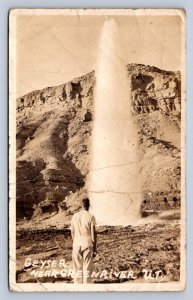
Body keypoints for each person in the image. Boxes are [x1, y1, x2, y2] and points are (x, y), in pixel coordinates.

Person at [70, 198, 97, 284]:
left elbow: (72, 232)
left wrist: (75, 242)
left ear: (81, 205)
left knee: (77, 267)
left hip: (76, 243)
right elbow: (93, 233)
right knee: (87, 267)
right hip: (87, 243)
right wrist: (95, 247)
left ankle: (77, 288)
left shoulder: (74, 216)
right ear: (89, 205)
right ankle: (86, 288)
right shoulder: (91, 217)